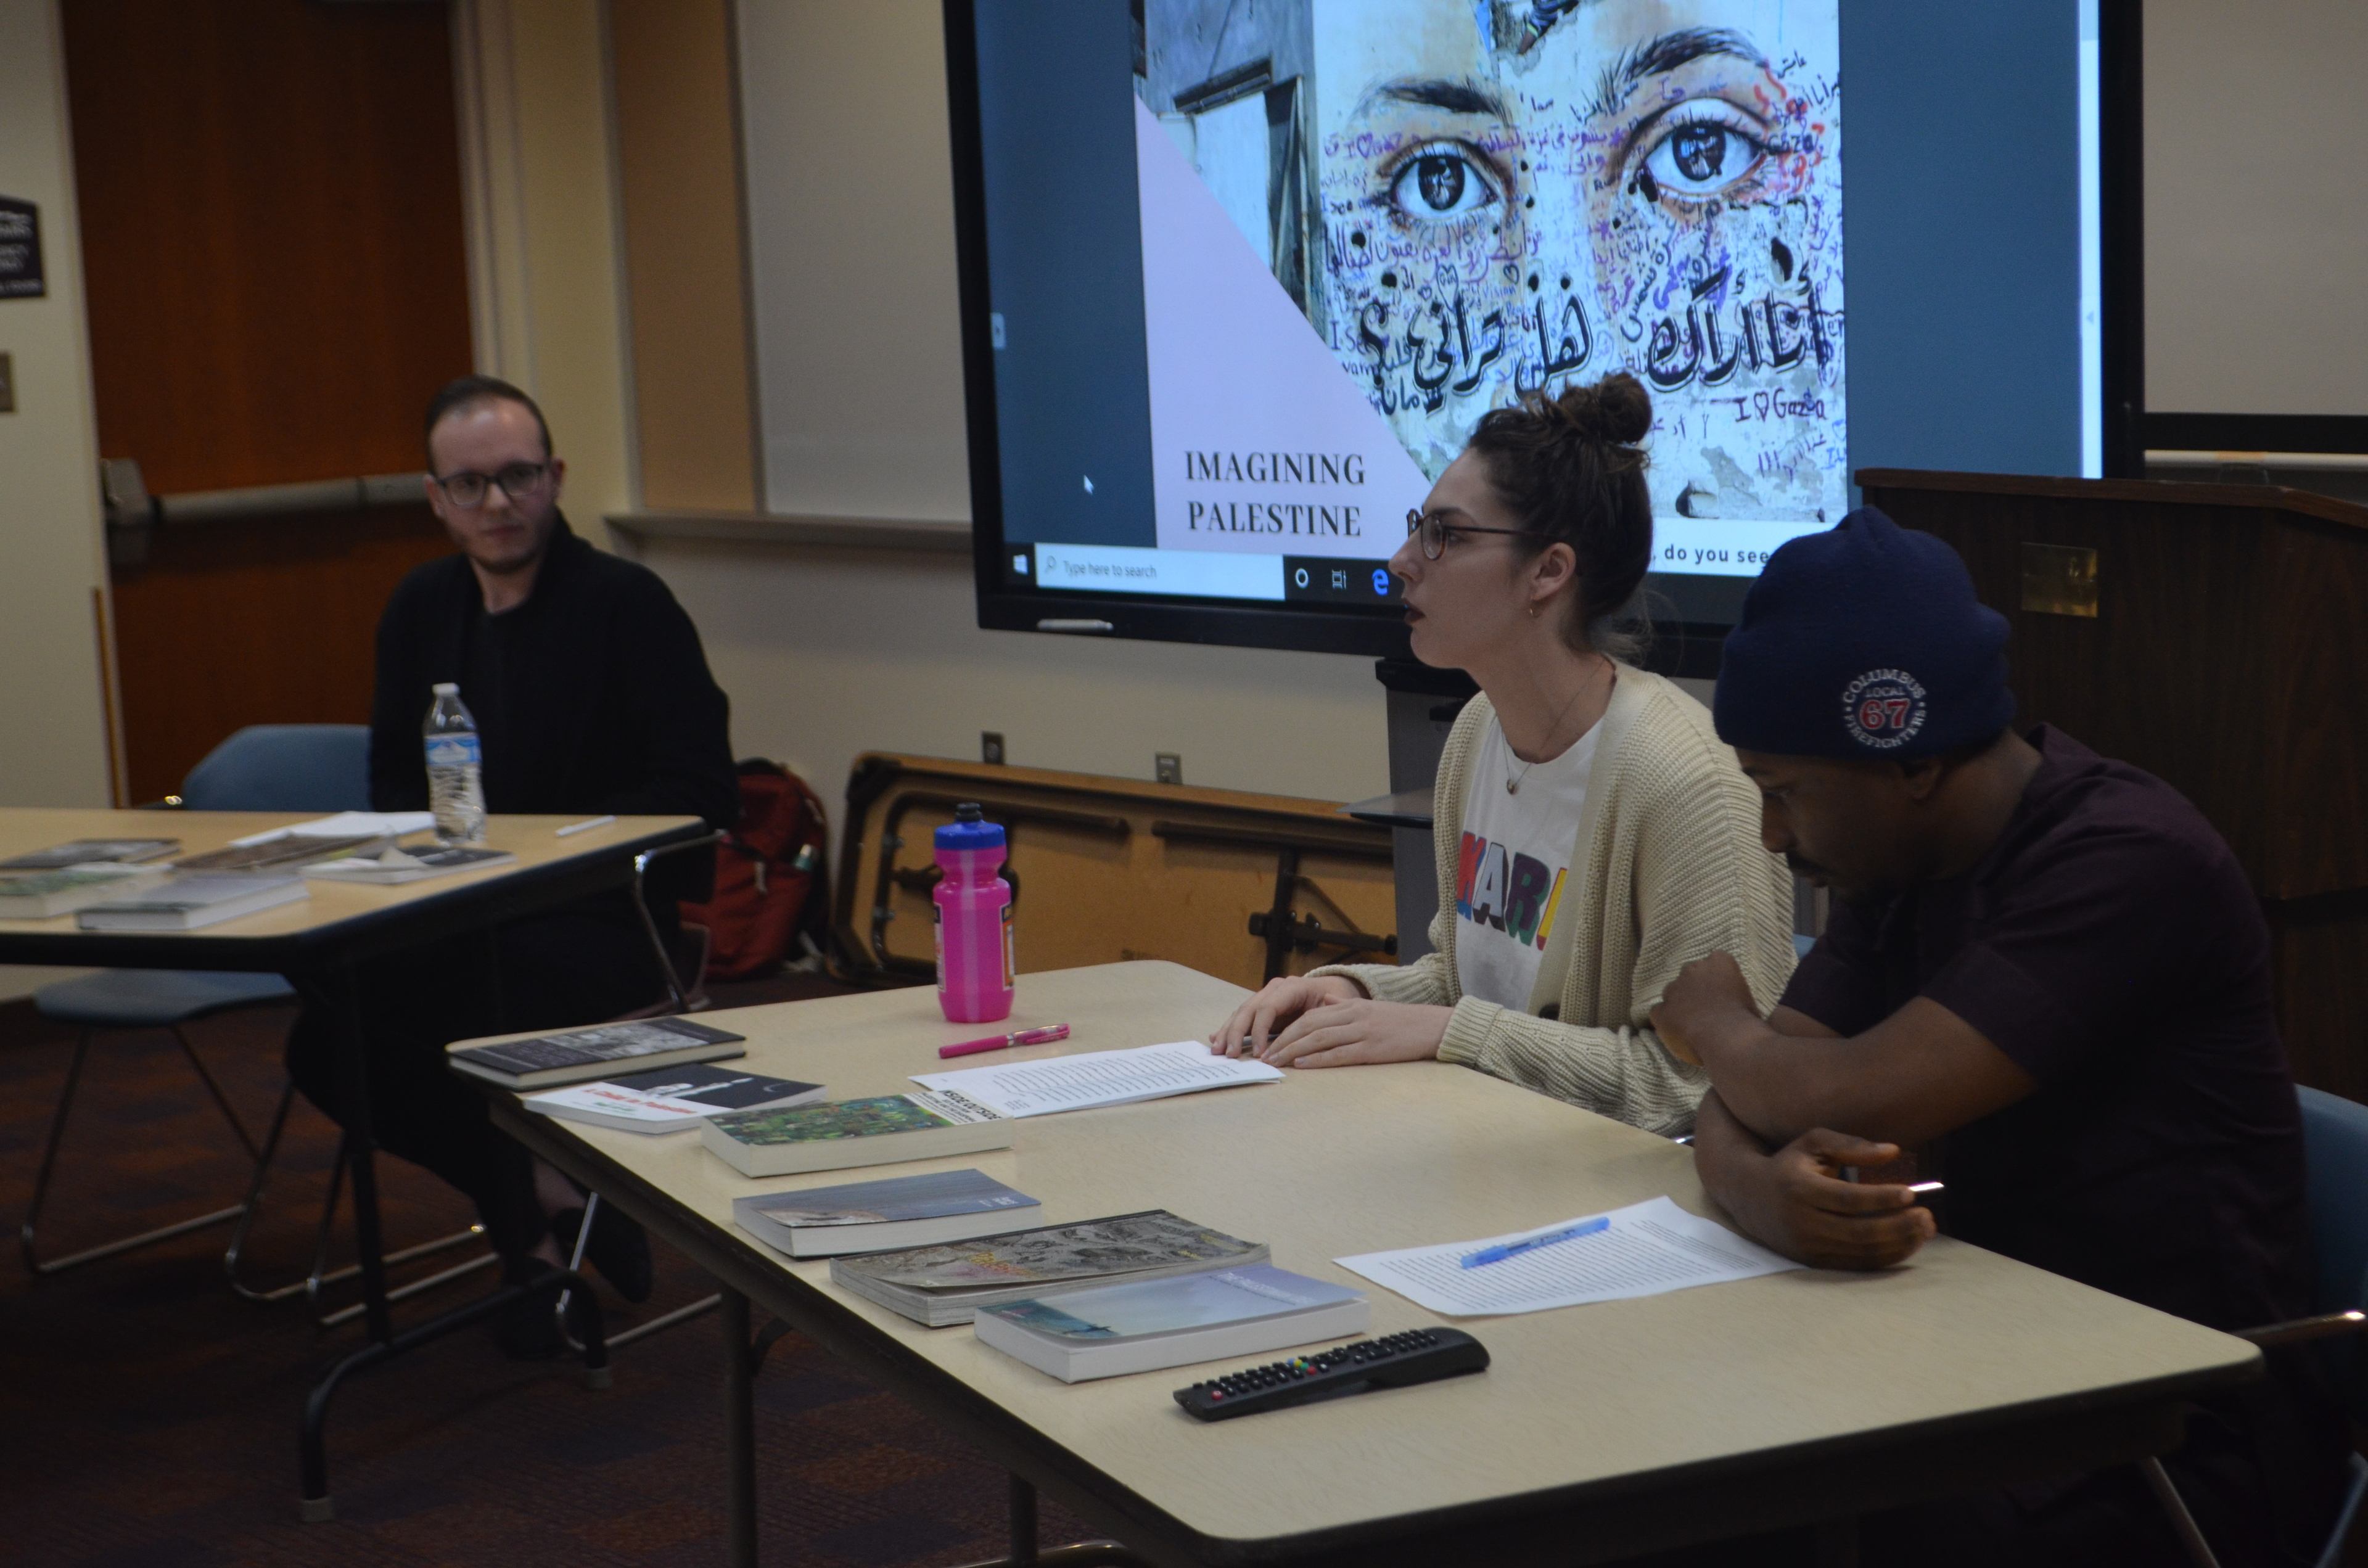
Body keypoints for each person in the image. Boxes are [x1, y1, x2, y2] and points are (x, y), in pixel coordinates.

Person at [1653, 509, 2348, 1566]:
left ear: (1912, 758)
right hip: (1985, 1363)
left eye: (1786, 791)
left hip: (2171, 1430)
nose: (1773, 838)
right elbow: (1771, 1092)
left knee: (1740, 1517)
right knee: (1697, 1474)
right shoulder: (1900, 863)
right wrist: (1764, 1192)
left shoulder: (2128, 859)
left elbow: (1855, 1092)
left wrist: (1713, 1022)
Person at [1210, 372, 1796, 1136]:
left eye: (1444, 535)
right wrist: (1352, 992)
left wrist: (1451, 1031)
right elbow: (1469, 985)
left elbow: (1704, 1084)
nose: (1402, 560)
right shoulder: (1479, 729)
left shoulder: (1687, 783)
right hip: (1505, 1164)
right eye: (1418, 526)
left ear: (1549, 572)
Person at [285, 374, 739, 1355]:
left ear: (556, 476)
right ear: (436, 497)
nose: (497, 504)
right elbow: (394, 783)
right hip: (456, 912)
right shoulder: (420, 606)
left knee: (454, 1011)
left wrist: (551, 849)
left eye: (518, 477)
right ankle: (549, 1192)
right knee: (323, 1041)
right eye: (471, 484)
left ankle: (530, 1257)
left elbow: (706, 794)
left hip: (599, 920)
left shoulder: (628, 603)